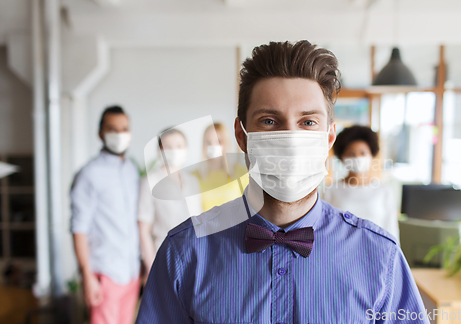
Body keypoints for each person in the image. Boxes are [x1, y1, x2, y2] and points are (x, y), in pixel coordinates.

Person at [136, 41, 429, 323]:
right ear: (242, 136)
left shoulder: (380, 258)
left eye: (308, 122)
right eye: (269, 121)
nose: (291, 140)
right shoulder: (184, 254)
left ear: (329, 137)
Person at [71, 106, 140, 324]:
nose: (119, 135)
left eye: (124, 129)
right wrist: (87, 276)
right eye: (113, 129)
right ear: (100, 133)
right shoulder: (88, 174)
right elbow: (78, 228)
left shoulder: (131, 170)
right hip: (105, 274)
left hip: (131, 273)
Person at [138, 128, 202, 277]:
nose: (174, 151)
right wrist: (151, 268)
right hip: (164, 257)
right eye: (168, 147)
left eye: (179, 146)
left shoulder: (193, 181)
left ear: (186, 149)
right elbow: (143, 230)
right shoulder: (149, 182)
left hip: (194, 256)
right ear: (160, 150)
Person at [324, 125, 400, 242]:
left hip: (376, 252)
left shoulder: (384, 191)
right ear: (342, 157)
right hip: (340, 252)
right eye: (351, 154)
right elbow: (325, 227)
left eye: (363, 153)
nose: (357, 158)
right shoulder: (331, 190)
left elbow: (391, 230)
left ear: (372, 155)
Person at [192, 122, 249, 211]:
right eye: (208, 142)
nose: (213, 146)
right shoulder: (193, 177)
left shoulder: (243, 173)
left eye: (218, 141)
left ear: (226, 143)